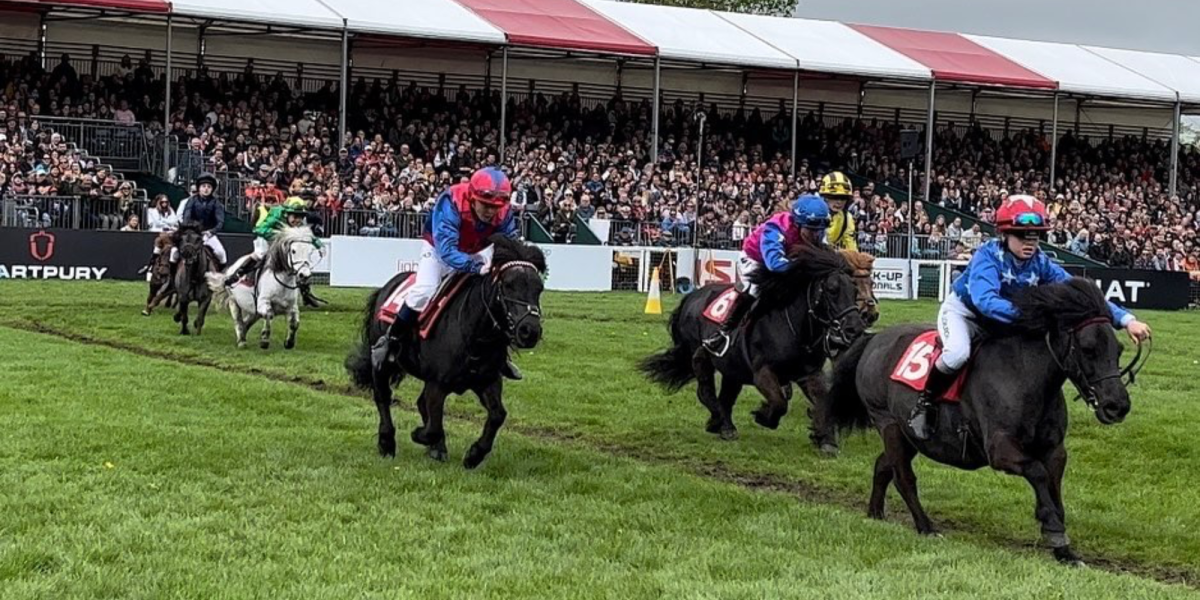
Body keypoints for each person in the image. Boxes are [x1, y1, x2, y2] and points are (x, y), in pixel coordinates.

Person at [906, 195, 1153, 440]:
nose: (1030, 242)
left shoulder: (1041, 262)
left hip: (1006, 321)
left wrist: (1126, 320)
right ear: (1004, 234)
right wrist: (1032, 315)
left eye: (1035, 236)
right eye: (1022, 235)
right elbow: (985, 301)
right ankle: (925, 403)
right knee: (957, 354)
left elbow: (1082, 296)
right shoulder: (987, 256)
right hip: (966, 314)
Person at [371, 167, 525, 380]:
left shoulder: (504, 211)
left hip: (477, 249)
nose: (491, 211)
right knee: (424, 290)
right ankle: (391, 340)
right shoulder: (451, 201)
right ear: (472, 198)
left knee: (495, 294)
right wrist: (474, 267)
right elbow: (447, 250)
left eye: (495, 207)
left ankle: (499, 355)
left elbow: (509, 242)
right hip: (438, 248)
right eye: (485, 205)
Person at [703, 194, 831, 356]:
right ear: (798, 224)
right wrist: (805, 265)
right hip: (756, 259)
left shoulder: (819, 230)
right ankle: (724, 332)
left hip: (790, 260)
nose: (816, 235)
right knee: (753, 289)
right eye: (811, 230)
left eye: (820, 230)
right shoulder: (776, 228)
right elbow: (775, 264)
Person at [222, 197, 325, 307]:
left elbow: (306, 235)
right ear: (286, 214)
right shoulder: (276, 214)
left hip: (283, 242)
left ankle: (306, 293)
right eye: (295, 217)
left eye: (300, 217)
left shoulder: (299, 222)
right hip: (266, 238)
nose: (297, 221)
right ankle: (237, 275)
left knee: (299, 263)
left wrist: (319, 245)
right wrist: (280, 235)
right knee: (260, 254)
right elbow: (260, 229)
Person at [172, 173, 227, 269]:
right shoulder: (191, 200)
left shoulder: (216, 203)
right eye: (203, 186)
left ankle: (221, 275)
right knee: (174, 253)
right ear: (199, 188)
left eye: (209, 187)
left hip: (208, 235)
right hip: (192, 234)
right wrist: (191, 230)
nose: (206, 189)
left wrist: (211, 232)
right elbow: (186, 217)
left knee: (221, 254)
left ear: (212, 189)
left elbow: (220, 222)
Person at [821, 171, 858, 252]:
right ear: (825, 197)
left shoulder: (847, 218)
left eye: (843, 198)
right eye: (834, 197)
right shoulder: (812, 213)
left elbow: (851, 246)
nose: (839, 202)